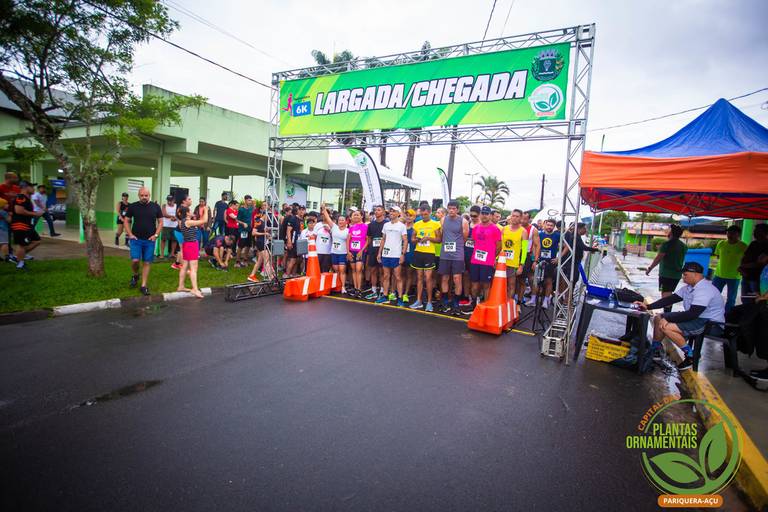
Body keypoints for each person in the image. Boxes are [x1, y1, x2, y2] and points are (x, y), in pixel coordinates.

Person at [634, 262, 726, 371]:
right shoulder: (688, 288)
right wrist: (648, 306)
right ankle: (655, 349)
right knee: (658, 317)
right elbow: (670, 299)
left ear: (696, 274)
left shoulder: (705, 289)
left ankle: (691, 356)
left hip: (710, 324)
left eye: (685, 275)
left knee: (666, 327)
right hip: (697, 318)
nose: (683, 277)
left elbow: (693, 313)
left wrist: (668, 319)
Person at [123, 187, 163, 295]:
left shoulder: (155, 207)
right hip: (136, 239)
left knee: (147, 262)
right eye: (142, 195)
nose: (144, 197)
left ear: (149, 195)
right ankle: (136, 275)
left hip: (150, 240)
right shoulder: (133, 206)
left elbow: (160, 222)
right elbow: (126, 221)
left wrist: (156, 235)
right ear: (138, 195)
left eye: (146, 195)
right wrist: (130, 234)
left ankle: (143, 285)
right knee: (135, 261)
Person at [645, 224, 687, 312]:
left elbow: (658, 258)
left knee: (666, 295)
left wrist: (650, 268)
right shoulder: (683, 246)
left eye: (670, 231)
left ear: (671, 233)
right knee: (669, 293)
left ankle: (667, 315)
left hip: (666, 274)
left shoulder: (667, 244)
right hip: (677, 275)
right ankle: (667, 313)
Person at [437, 200, 469, 314]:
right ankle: (445, 302)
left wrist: (457, 247)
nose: (451, 210)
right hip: (445, 254)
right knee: (444, 278)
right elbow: (442, 235)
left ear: (458, 210)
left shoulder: (463, 221)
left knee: (457, 279)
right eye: (449, 208)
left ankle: (456, 304)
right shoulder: (443, 219)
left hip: (457, 254)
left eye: (454, 208)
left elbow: (465, 238)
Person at [410, 204, 442, 311]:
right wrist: (417, 239)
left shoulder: (435, 224)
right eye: (422, 214)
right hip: (418, 252)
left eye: (426, 214)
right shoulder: (417, 224)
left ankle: (429, 302)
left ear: (430, 212)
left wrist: (428, 238)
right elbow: (412, 239)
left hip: (429, 254)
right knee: (419, 277)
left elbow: (439, 239)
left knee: (428, 278)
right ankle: (418, 300)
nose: (424, 216)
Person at [469, 205, 502, 305]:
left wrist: (492, 257)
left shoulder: (495, 229)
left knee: (486, 285)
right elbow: (474, 241)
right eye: (482, 213)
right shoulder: (476, 228)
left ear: (490, 215)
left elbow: (499, 246)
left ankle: (486, 306)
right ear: (480, 215)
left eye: (486, 214)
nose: (484, 216)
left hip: (487, 262)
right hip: (475, 261)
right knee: (474, 285)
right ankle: (474, 305)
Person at [376, 206, 408, 306]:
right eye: (390, 211)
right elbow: (383, 239)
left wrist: (403, 254)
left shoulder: (402, 226)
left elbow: (405, 240)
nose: (392, 213)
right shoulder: (386, 225)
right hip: (386, 254)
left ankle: (400, 298)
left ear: (398, 213)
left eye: (394, 211)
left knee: (398, 277)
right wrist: (379, 253)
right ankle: (385, 296)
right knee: (386, 276)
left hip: (396, 255)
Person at [559, 223, 599, 301]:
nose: (585, 230)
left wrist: (592, 249)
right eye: (584, 229)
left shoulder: (577, 237)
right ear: (579, 229)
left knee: (574, 279)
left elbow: (583, 247)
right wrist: (595, 249)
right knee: (572, 279)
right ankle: (567, 298)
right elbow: (583, 247)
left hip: (575, 261)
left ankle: (569, 297)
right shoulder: (575, 237)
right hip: (571, 262)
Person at [712, 225, 747, 312]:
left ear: (738, 234)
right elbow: (718, 256)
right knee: (712, 295)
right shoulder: (721, 243)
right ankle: (712, 312)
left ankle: (728, 315)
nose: (730, 235)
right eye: (728, 233)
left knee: (731, 298)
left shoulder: (743, 246)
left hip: (734, 276)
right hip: (719, 275)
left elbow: (746, 260)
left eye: (733, 233)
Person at [175, 205, 208, 298]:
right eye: (190, 211)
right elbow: (204, 221)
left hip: (187, 244)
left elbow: (199, 220)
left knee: (185, 266)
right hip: (191, 245)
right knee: (194, 268)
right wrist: (206, 210)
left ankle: (181, 286)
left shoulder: (183, 221)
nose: (192, 212)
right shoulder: (188, 222)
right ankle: (195, 289)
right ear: (187, 213)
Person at [10, 181, 43, 270]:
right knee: (21, 244)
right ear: (25, 187)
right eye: (31, 186)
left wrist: (34, 213)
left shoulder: (26, 198)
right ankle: (20, 264)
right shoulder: (21, 197)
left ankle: (18, 256)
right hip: (20, 224)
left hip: (27, 224)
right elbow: (18, 210)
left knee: (37, 241)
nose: (33, 189)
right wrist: (35, 214)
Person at [501, 209, 529, 303]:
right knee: (500, 284)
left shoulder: (523, 232)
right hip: (502, 262)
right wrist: (496, 259)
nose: (514, 218)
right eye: (513, 216)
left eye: (517, 216)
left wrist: (521, 265)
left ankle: (508, 305)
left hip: (514, 263)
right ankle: (501, 303)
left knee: (511, 285)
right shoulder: (504, 229)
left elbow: (524, 250)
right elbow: (499, 245)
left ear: (520, 218)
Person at [739, 223, 768, 304]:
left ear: (765, 233)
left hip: (758, 279)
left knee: (758, 301)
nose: (754, 233)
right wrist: (741, 268)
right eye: (755, 231)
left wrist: (743, 266)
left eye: (757, 231)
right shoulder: (753, 243)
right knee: (745, 300)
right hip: (746, 277)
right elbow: (744, 257)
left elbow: (760, 262)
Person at [323, 207, 349, 294]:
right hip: (334, 252)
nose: (341, 221)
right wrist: (324, 209)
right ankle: (338, 285)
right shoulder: (334, 227)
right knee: (336, 270)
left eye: (342, 220)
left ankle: (343, 287)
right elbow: (327, 217)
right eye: (339, 220)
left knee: (342, 270)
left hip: (343, 253)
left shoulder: (348, 231)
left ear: (346, 221)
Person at [364, 205, 387, 300]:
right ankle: (373, 291)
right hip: (373, 250)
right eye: (375, 210)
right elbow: (369, 238)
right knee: (373, 270)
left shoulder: (387, 224)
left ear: (383, 212)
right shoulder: (371, 224)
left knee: (382, 272)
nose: (376, 211)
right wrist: (368, 249)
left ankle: (382, 290)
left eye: (379, 210)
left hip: (383, 251)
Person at [537, 219, 560, 309]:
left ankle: (546, 300)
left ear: (554, 227)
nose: (549, 227)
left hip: (551, 262)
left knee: (549, 281)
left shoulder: (557, 235)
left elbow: (566, 247)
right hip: (540, 261)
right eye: (548, 225)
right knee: (538, 281)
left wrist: (558, 258)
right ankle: (535, 299)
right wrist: (535, 258)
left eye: (551, 225)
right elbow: (536, 246)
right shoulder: (540, 234)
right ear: (545, 225)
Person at [248, 208, 274, 282]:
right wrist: (264, 233)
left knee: (259, 261)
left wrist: (268, 236)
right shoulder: (259, 221)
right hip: (261, 242)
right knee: (267, 260)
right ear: (265, 215)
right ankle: (271, 278)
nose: (270, 218)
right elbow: (253, 233)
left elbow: (262, 232)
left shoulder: (263, 223)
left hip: (263, 242)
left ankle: (251, 275)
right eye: (269, 216)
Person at [521, 211, 540, 306]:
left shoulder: (533, 230)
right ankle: (517, 298)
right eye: (522, 218)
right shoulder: (516, 227)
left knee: (529, 278)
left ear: (529, 219)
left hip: (528, 256)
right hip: (516, 255)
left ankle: (533, 299)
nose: (522, 220)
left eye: (525, 219)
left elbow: (537, 245)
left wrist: (535, 260)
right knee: (516, 279)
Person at [347, 210, 368, 296]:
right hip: (352, 251)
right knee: (354, 270)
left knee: (359, 270)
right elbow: (348, 240)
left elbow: (368, 240)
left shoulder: (365, 226)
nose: (355, 216)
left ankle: (359, 289)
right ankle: (356, 288)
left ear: (362, 216)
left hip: (360, 251)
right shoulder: (351, 227)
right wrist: (348, 252)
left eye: (357, 215)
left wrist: (361, 251)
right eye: (354, 215)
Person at [281, 205, 301, 277]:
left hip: (298, 243)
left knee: (296, 260)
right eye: (300, 209)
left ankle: (293, 275)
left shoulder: (301, 219)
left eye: (303, 209)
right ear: (297, 211)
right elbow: (288, 230)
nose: (302, 211)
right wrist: (289, 242)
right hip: (292, 242)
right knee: (292, 260)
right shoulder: (293, 218)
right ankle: (286, 276)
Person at [402, 209, 417, 303]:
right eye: (407, 215)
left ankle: (406, 293)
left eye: (410, 215)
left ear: (414, 217)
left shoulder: (416, 227)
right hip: (400, 252)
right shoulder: (401, 226)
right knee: (399, 273)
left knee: (409, 274)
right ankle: (398, 291)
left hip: (411, 252)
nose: (408, 217)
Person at [235, 195, 254, 268]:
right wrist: (243, 223)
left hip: (249, 229)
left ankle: (245, 260)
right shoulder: (241, 209)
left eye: (250, 200)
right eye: (249, 200)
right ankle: (237, 261)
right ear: (245, 200)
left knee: (248, 245)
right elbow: (237, 220)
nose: (250, 201)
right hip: (242, 230)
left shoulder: (251, 208)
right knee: (241, 245)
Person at [314, 205, 333, 273]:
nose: (324, 216)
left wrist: (329, 230)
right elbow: (314, 237)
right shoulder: (318, 225)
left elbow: (335, 238)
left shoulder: (332, 225)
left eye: (325, 214)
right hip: (318, 251)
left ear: (329, 215)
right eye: (322, 214)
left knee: (325, 271)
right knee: (317, 270)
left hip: (328, 252)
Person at [160, 195, 178, 259]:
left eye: (170, 200)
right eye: (168, 200)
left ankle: (172, 253)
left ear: (174, 200)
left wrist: (176, 218)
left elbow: (179, 214)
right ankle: (162, 254)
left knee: (174, 240)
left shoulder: (177, 206)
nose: (169, 202)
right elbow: (163, 214)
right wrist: (172, 216)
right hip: (166, 225)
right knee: (163, 239)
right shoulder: (164, 206)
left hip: (175, 225)